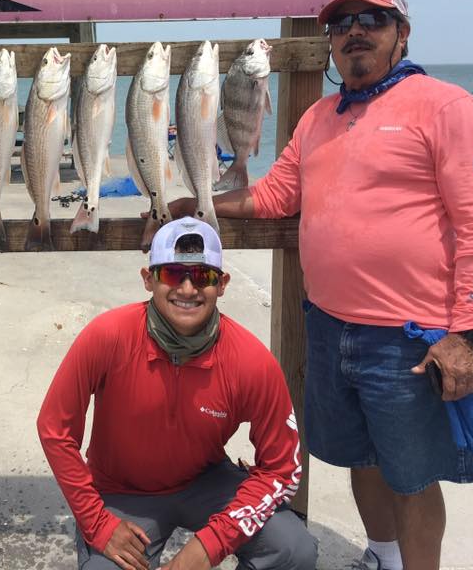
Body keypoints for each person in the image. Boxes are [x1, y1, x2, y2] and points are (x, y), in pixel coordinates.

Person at [169, 0, 473, 570]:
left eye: (371, 20)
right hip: (328, 327)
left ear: (402, 33)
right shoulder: (319, 117)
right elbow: (275, 195)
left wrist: (469, 332)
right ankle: (382, 556)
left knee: (413, 476)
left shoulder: (448, 107)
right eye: (341, 24)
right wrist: (200, 204)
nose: (354, 33)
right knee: (360, 458)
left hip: (412, 339)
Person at [37, 217, 316, 570]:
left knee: (293, 548)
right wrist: (97, 522)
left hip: (205, 480)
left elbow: (281, 469)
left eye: (203, 276)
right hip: (122, 491)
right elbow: (54, 429)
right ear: (148, 279)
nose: (187, 289)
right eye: (172, 274)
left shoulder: (251, 361)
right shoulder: (107, 336)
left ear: (222, 284)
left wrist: (208, 545)